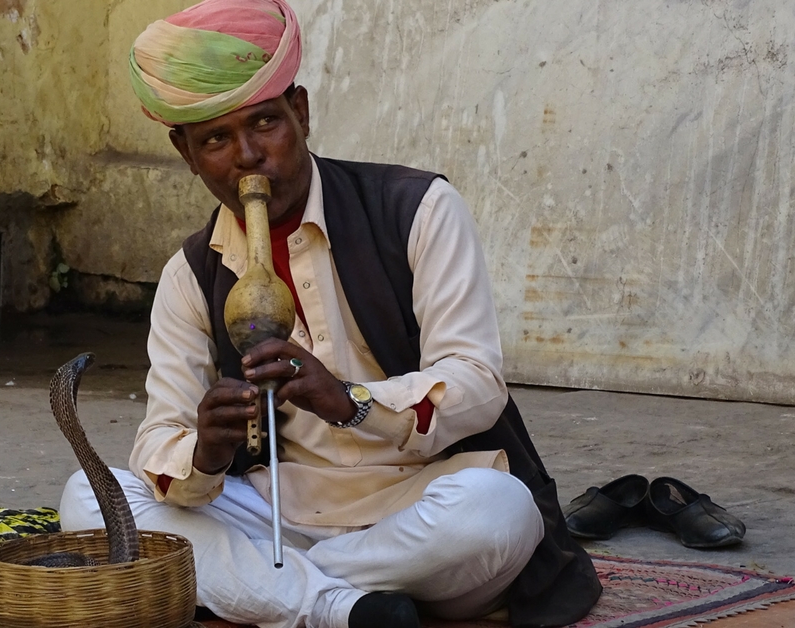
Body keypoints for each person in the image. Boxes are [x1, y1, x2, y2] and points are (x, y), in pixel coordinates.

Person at [59, 1, 601, 627]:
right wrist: (203, 452)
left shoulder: (417, 209)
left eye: (265, 122)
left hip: (417, 510)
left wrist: (351, 401)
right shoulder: (191, 275)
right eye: (215, 139)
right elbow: (159, 439)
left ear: (302, 113)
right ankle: (337, 609)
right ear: (185, 153)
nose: (247, 156)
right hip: (274, 511)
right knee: (90, 498)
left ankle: (258, 586)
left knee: (498, 511)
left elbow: (478, 384)